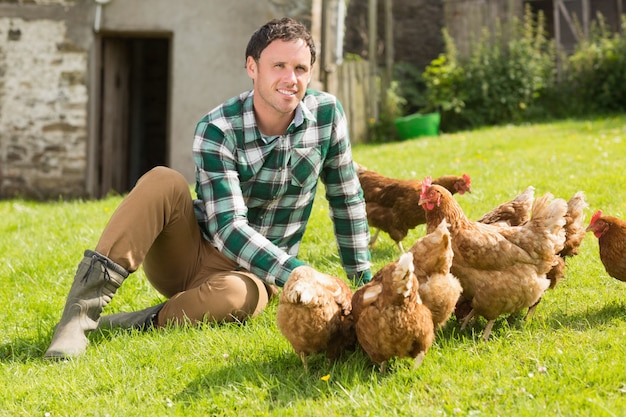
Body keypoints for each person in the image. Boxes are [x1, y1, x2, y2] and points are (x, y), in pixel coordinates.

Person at [44, 17, 372, 359]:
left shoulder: (327, 115)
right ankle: (79, 316)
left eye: (300, 68)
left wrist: (363, 283)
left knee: (234, 298)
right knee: (162, 180)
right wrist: (302, 273)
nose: (290, 79)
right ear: (252, 67)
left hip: (257, 276)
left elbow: (346, 198)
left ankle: (139, 321)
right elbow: (228, 227)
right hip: (193, 254)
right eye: (278, 66)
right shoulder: (218, 127)